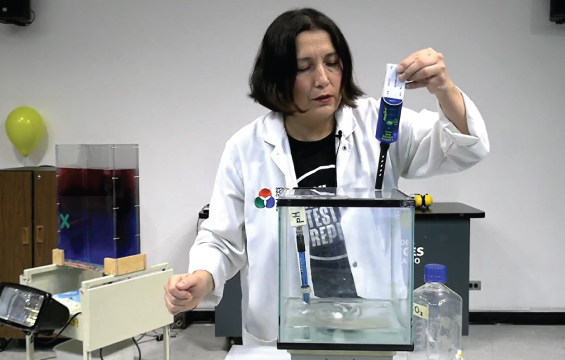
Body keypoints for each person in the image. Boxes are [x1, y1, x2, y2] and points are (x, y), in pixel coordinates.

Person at [164, 7, 489, 346]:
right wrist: (201, 279)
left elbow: (465, 147)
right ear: (276, 78)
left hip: (371, 322)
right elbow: (221, 240)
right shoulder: (246, 148)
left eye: (332, 63)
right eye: (304, 68)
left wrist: (444, 88)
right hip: (280, 330)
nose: (323, 79)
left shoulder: (376, 124)